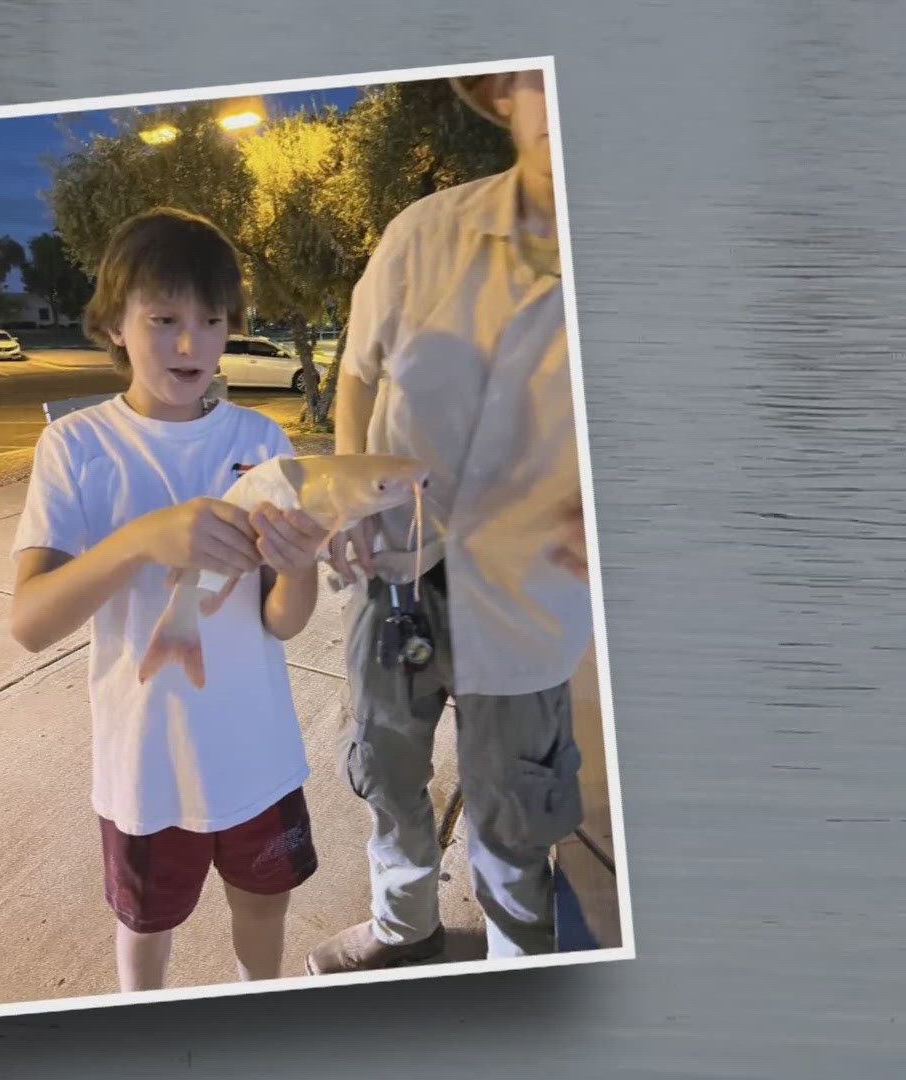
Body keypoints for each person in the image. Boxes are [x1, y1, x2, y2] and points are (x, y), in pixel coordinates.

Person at [306, 69, 594, 974]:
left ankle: (522, 962)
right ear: (507, 94)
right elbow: (356, 372)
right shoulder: (421, 235)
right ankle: (404, 929)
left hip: (532, 595)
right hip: (395, 567)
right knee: (387, 772)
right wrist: (350, 480)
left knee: (516, 804)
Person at [7, 207, 330, 992]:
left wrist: (301, 565)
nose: (190, 344)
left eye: (211, 320)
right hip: (145, 767)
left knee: (264, 913)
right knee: (146, 932)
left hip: (258, 755)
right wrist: (144, 540)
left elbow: (281, 621)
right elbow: (29, 623)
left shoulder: (261, 443)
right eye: (163, 320)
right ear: (113, 324)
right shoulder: (77, 447)